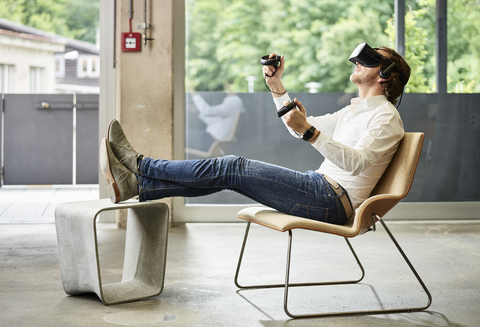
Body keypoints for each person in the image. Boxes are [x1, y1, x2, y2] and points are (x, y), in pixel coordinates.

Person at [100, 43, 410, 225]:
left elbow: (356, 163)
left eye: (367, 60)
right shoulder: (355, 111)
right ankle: (140, 186)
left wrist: (310, 132)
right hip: (320, 190)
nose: (356, 63)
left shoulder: (386, 119)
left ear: (384, 76)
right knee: (227, 175)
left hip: (331, 201)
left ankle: (140, 165)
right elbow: (298, 126)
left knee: (231, 166)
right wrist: (277, 86)